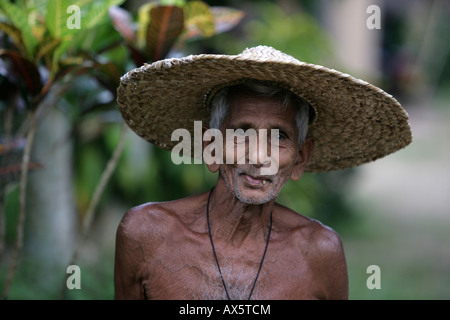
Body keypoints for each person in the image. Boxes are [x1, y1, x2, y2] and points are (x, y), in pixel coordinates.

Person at [114, 46, 412, 300]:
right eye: (242, 132)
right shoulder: (145, 234)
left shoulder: (320, 252)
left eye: (279, 136)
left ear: (300, 159)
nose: (258, 157)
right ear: (211, 148)